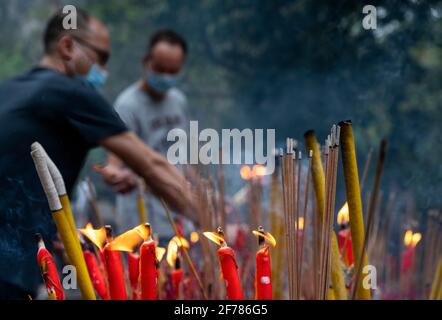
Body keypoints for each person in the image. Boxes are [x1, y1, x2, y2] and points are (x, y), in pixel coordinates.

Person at [0, 8, 194, 299]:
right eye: (101, 57)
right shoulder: (70, 92)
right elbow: (151, 164)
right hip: (8, 268)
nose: (104, 69)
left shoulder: (9, 90)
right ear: (67, 47)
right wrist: (212, 220)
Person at [97, 30, 189, 238]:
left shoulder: (178, 101)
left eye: (172, 71)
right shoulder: (127, 105)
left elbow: (184, 159)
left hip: (179, 218)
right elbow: (114, 164)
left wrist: (203, 196)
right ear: (146, 62)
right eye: (160, 69)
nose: (166, 76)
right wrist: (116, 176)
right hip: (143, 222)